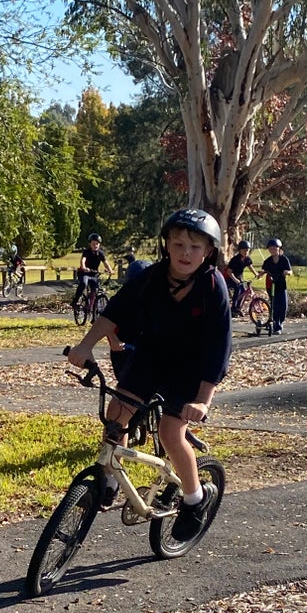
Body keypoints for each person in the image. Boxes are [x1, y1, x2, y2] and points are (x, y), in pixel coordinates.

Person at [68, 208, 232, 541]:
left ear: (209, 252)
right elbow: (113, 313)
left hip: (192, 369)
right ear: (166, 246)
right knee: (117, 414)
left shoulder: (213, 289)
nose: (186, 253)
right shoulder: (152, 277)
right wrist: (84, 346)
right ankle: (109, 479)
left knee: (171, 432)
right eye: (179, 244)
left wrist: (203, 400)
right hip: (152, 357)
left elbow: (219, 348)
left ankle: (194, 498)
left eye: (195, 247)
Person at [258, 237, 292, 333]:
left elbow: (290, 271)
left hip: (281, 285)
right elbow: (264, 270)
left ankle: (280, 322)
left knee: (283, 306)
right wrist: (261, 273)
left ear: (279, 248)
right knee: (275, 306)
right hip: (271, 285)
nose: (272, 250)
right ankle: (277, 326)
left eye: (274, 248)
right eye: (270, 248)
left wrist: (287, 272)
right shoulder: (268, 261)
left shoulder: (284, 259)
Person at [72, 232, 112, 306]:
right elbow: (83, 260)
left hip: (94, 274)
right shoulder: (86, 252)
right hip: (85, 273)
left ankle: (93, 308)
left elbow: (105, 263)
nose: (95, 245)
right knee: (84, 283)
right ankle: (76, 300)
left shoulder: (100, 253)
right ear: (90, 244)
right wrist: (83, 267)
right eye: (93, 244)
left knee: (95, 290)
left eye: (97, 244)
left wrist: (110, 270)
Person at [224, 240, 258, 315]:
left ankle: (238, 308)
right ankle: (233, 308)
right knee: (238, 288)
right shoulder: (235, 260)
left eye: (247, 251)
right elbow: (229, 272)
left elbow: (250, 266)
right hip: (230, 277)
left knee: (243, 291)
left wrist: (256, 274)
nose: (246, 252)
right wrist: (235, 280)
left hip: (239, 277)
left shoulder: (247, 259)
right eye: (244, 250)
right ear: (240, 250)